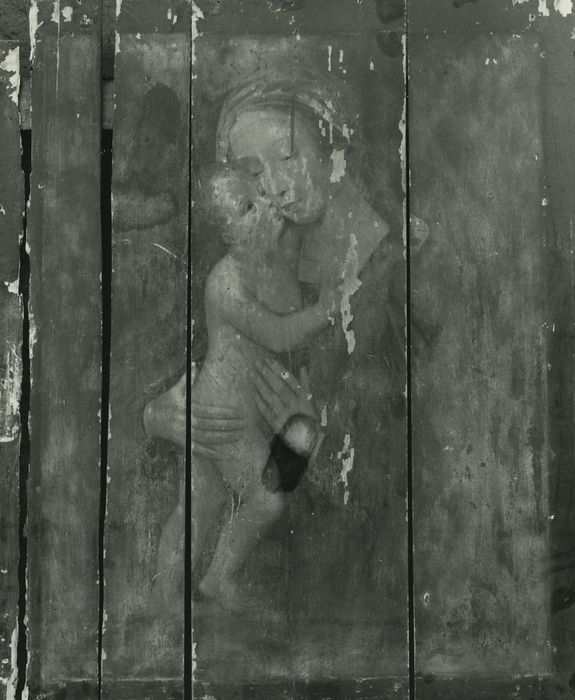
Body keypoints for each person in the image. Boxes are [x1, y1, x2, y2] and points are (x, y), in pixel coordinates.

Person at [144, 69, 403, 613]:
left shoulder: (392, 264)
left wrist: (308, 443)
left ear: (332, 145)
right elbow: (138, 370)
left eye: (287, 155)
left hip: (346, 582)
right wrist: (155, 414)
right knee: (199, 509)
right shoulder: (247, 260)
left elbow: (393, 462)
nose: (275, 187)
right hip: (242, 457)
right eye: (253, 172)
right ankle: (171, 600)